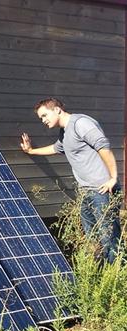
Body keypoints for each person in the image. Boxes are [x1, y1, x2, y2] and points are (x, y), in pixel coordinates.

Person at [21, 97, 121, 262]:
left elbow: (104, 147)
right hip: (85, 191)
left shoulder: (80, 123)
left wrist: (113, 178)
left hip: (102, 190)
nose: (43, 121)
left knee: (109, 239)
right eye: (41, 118)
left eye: (45, 115)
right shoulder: (65, 131)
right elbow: (56, 148)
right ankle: (103, 273)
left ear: (57, 110)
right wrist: (31, 151)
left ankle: (118, 276)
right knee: (93, 238)